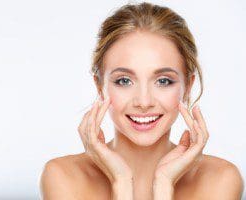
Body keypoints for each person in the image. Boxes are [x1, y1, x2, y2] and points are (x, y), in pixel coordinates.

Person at [39, 2, 244, 199]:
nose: (144, 102)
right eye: (124, 80)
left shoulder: (220, 179)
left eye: (163, 81)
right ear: (100, 87)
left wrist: (164, 184)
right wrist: (121, 182)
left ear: (188, 87)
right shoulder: (63, 177)